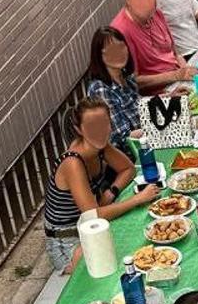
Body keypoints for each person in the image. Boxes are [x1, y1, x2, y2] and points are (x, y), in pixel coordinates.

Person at [43, 98, 157, 274]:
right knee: (116, 261)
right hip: (68, 240)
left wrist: (111, 193)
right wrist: (137, 199)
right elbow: (92, 215)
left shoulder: (100, 145)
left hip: (93, 223)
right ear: (78, 129)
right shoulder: (73, 162)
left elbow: (128, 169)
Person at [111, 0, 194, 93]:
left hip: (179, 80)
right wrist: (176, 76)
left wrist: (186, 71)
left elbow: (175, 52)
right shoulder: (120, 32)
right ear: (127, 0)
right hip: (160, 95)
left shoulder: (156, 13)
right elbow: (132, 83)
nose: (146, 2)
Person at [87, 27, 141, 152]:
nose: (118, 53)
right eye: (111, 51)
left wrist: (169, 98)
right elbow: (122, 138)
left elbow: (144, 109)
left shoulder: (126, 78)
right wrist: (155, 127)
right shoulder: (100, 89)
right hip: (131, 153)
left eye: (121, 47)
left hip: (146, 139)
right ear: (99, 56)